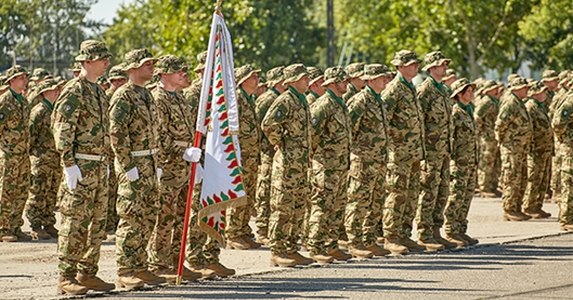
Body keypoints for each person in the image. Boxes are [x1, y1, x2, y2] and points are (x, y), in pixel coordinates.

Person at [51, 40, 114, 295]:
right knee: (75, 222)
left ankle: (87, 273)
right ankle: (66, 275)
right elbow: (62, 129)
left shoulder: (99, 91)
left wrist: (107, 161)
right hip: (81, 165)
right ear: (86, 62)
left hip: (98, 165)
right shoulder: (74, 90)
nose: (106, 62)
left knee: (97, 223)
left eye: (106, 58)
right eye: (102, 59)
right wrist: (68, 164)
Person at [109, 48, 168, 289]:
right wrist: (127, 164)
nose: (152, 67)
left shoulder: (147, 95)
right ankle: (126, 269)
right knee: (131, 218)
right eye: (147, 64)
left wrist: (158, 164)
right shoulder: (123, 96)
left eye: (152, 63)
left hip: (150, 164)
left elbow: (155, 133)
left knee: (148, 217)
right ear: (132, 68)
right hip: (134, 164)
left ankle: (140, 266)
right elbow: (116, 133)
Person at [183, 50, 235, 278]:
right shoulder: (195, 95)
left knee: (217, 204)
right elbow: (186, 129)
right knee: (198, 207)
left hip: (217, 160)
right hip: (200, 159)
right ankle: (195, 257)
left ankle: (211, 255)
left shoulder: (221, 96)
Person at [262, 63, 313, 267]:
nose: (307, 80)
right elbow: (268, 124)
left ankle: (292, 248)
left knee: (298, 206)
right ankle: (278, 250)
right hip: (287, 164)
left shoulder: (302, 100)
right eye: (303, 78)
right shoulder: (285, 100)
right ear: (291, 81)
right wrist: (281, 143)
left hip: (300, 163)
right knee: (282, 206)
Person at [344, 64, 393, 258]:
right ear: (370, 80)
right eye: (382, 78)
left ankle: (369, 239)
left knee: (376, 200)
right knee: (359, 201)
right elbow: (350, 130)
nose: (386, 81)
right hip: (363, 161)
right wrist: (357, 152)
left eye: (386, 77)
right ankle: (354, 242)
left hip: (379, 160)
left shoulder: (378, 100)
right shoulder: (360, 100)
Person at [381, 50, 425, 254]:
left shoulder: (410, 88)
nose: (416, 66)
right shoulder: (394, 89)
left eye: (416, 63)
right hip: (398, 153)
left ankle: (405, 235)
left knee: (411, 194)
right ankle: (391, 237)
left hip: (413, 152)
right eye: (411, 64)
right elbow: (384, 120)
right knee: (396, 195)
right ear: (400, 66)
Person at [308, 66, 351, 264]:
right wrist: (318, 158)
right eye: (343, 81)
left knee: (337, 206)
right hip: (325, 166)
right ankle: (316, 246)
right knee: (322, 206)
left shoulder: (340, 103)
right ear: (332, 83)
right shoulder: (323, 104)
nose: (346, 84)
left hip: (341, 165)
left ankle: (331, 245)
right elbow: (312, 135)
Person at [415, 51, 455, 252]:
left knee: (442, 191)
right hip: (430, 151)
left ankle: (436, 231)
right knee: (428, 192)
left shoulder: (444, 90)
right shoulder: (425, 90)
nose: (445, 67)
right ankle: (424, 234)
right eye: (441, 65)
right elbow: (418, 121)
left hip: (444, 151)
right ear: (431, 68)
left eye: (445, 64)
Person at [225, 64, 262, 250]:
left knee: (249, 194)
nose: (257, 79)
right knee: (238, 194)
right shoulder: (236, 99)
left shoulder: (250, 98)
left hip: (251, 156)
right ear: (243, 80)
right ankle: (232, 232)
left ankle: (242, 229)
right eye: (254, 76)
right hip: (240, 156)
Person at [444, 78, 479, 247]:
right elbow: (450, 136)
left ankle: (461, 230)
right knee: (456, 196)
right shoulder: (455, 112)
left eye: (472, 90)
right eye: (469, 91)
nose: (472, 93)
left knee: (466, 196)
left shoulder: (469, 109)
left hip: (470, 160)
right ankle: (451, 231)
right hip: (459, 161)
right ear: (459, 94)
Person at [26, 79, 61, 240]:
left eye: (56, 89)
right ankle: (35, 225)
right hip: (41, 159)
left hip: (55, 159)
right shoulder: (38, 111)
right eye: (52, 90)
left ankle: (48, 222)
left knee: (51, 192)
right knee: (38, 192)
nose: (56, 91)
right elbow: (30, 136)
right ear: (44, 92)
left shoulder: (56, 109)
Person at [254, 66, 286, 245]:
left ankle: (266, 228)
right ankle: (262, 229)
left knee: (272, 190)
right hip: (266, 150)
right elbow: (260, 124)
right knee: (265, 189)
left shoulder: (278, 98)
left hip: (271, 150)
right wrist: (275, 141)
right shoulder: (268, 98)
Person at [495, 76, 533, 221]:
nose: (527, 90)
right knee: (511, 177)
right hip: (511, 147)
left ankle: (517, 207)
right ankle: (509, 209)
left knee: (520, 177)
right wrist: (504, 141)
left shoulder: (518, 102)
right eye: (525, 88)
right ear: (517, 89)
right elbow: (500, 124)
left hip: (520, 148)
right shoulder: (511, 102)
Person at [0, 65, 31, 243]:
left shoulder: (24, 102)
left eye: (26, 78)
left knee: (21, 192)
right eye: (21, 78)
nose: (25, 81)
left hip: (23, 155)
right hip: (9, 155)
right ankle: (3, 228)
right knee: (6, 191)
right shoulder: (4, 101)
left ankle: (15, 226)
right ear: (11, 81)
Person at [523, 81, 553, 219]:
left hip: (544, 149)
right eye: (543, 92)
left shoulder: (539, 107)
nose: (545, 94)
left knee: (542, 178)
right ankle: (529, 206)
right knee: (534, 178)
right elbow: (528, 129)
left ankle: (537, 205)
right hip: (536, 149)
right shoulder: (530, 107)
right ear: (535, 93)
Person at [474, 80, 502, 197]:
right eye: (494, 88)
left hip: (494, 137)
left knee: (495, 162)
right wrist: (482, 132)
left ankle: (492, 186)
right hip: (487, 137)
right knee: (486, 162)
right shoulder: (485, 102)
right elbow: (477, 118)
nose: (497, 90)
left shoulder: (495, 101)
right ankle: (484, 187)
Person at [552, 81, 573, 231]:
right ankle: (566, 219)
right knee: (569, 182)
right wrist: (562, 139)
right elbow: (558, 122)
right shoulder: (571, 99)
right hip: (570, 148)